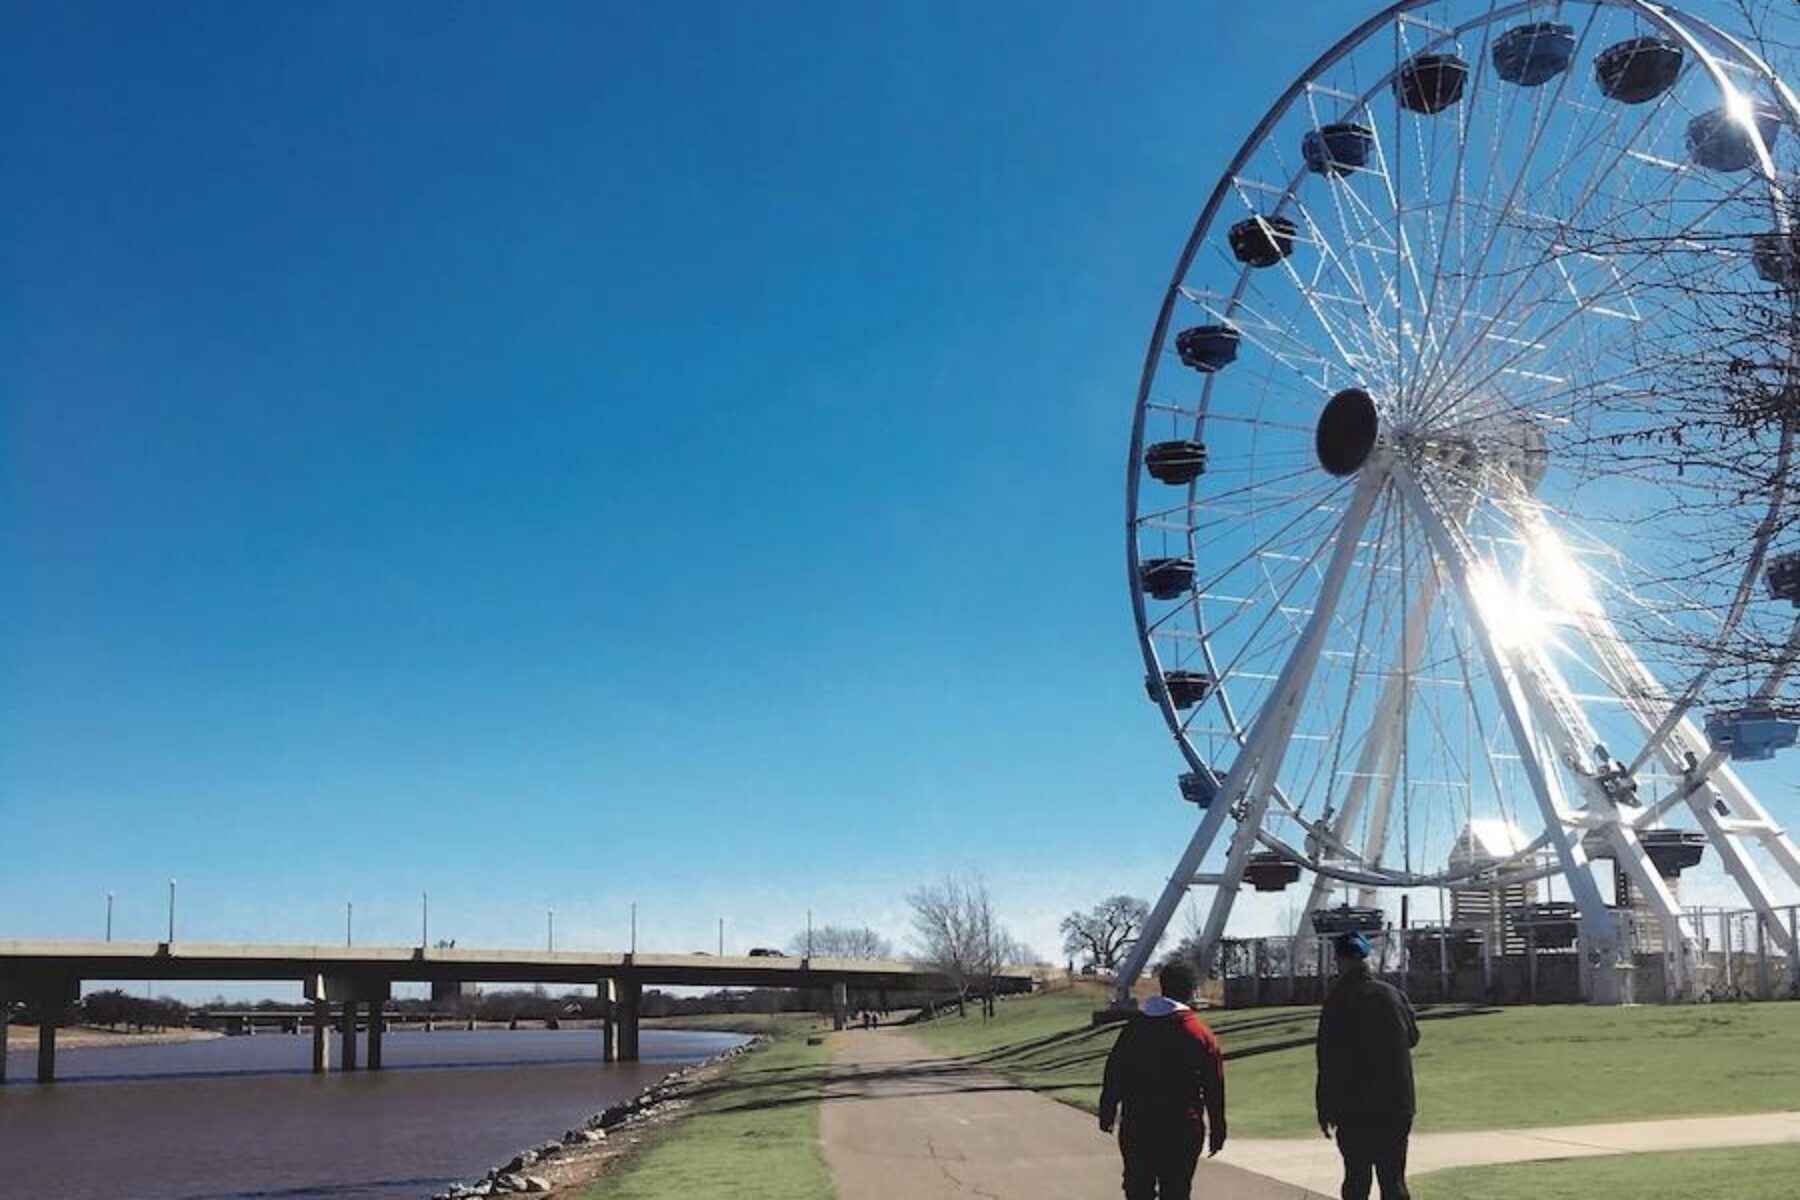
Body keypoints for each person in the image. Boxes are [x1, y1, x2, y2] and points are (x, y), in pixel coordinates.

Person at [1099, 960, 1227, 1200]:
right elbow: (1214, 1085)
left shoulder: (1134, 1029)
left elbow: (1114, 1072)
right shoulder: (1199, 1033)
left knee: (1138, 1189)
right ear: (1191, 991)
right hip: (1182, 1128)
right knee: (1177, 1191)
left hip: (1138, 1124)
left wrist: (1107, 1109)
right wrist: (1218, 1127)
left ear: (1162, 986)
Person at [1315, 931, 1420, 1200]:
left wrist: (1324, 1107)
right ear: (1366, 960)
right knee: (1393, 1180)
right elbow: (1413, 1038)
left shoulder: (1336, 1001)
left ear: (1340, 961)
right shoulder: (1393, 995)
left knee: (1356, 1179)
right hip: (1396, 1104)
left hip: (1354, 1108)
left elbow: (1327, 1059)